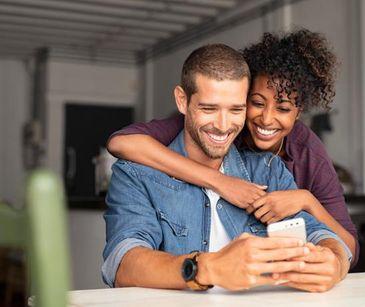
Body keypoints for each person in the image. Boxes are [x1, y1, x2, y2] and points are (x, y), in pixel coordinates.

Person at [102, 44, 351, 292]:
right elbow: (123, 263)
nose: (222, 126)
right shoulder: (136, 173)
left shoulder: (268, 170)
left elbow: (324, 236)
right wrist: (208, 268)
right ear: (182, 100)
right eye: (209, 108)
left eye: (236, 110)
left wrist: (334, 263)